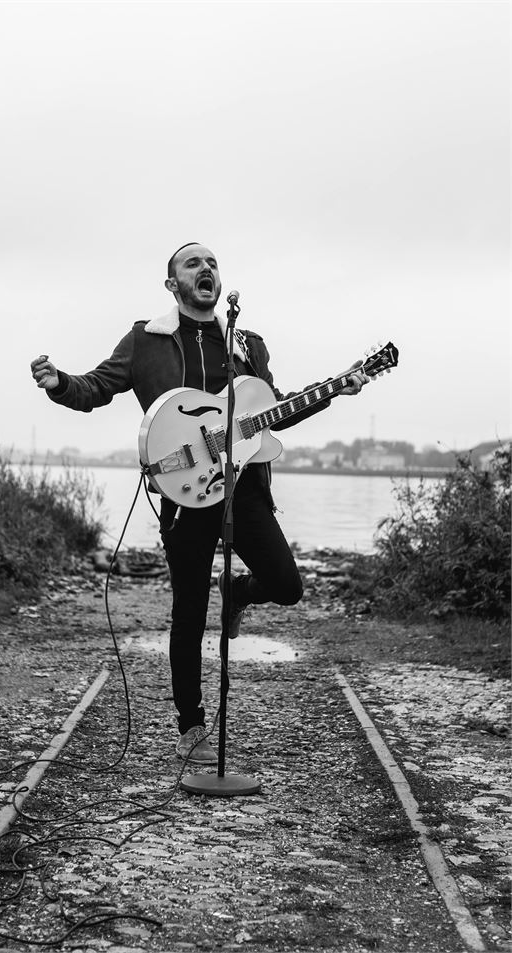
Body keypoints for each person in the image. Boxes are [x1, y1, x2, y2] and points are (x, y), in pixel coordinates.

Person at [31, 242, 368, 764]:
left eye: (212, 262)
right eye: (193, 263)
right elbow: (98, 386)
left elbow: (269, 413)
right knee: (188, 610)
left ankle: (238, 592)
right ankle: (190, 726)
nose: (205, 268)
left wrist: (332, 390)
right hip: (185, 496)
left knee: (287, 584)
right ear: (173, 285)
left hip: (244, 488)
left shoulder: (247, 344)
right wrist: (60, 384)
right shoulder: (147, 341)